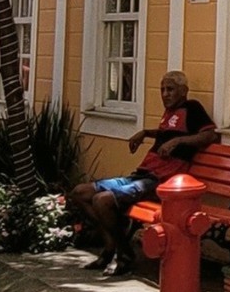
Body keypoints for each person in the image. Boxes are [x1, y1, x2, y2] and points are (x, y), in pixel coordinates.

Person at [69, 71, 219, 277]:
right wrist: (146, 133)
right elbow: (169, 133)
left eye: (171, 89)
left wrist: (177, 142)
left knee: (103, 201)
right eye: (162, 89)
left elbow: (210, 135)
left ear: (184, 91)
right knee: (80, 192)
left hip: (159, 182)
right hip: (140, 176)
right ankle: (112, 243)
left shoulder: (191, 108)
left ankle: (123, 254)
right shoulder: (170, 113)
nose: (165, 94)